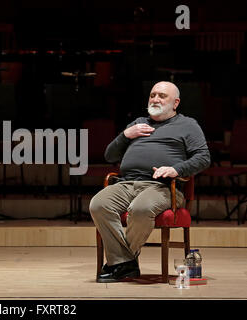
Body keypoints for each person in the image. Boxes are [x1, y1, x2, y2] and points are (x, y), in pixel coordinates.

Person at [89, 81, 210, 283]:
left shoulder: (187, 125)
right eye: (153, 95)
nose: (155, 99)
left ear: (175, 103)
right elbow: (109, 156)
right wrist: (126, 135)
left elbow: (203, 157)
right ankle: (125, 263)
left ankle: (120, 263)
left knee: (141, 209)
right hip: (125, 183)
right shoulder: (138, 123)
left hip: (163, 187)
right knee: (98, 204)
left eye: (162, 96)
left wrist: (175, 169)